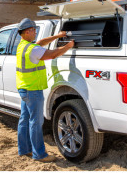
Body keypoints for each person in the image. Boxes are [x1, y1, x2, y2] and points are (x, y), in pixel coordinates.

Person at [16, 18, 74, 162]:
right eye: (33, 30)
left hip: (24, 88)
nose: (35, 32)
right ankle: (39, 154)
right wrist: (69, 45)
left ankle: (24, 150)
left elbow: (40, 43)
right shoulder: (32, 49)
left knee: (25, 120)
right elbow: (53, 54)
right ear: (27, 31)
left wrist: (58, 36)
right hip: (33, 90)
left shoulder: (23, 45)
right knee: (36, 122)